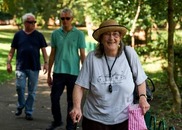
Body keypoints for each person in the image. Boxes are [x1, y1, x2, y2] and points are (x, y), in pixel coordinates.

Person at [70, 19, 150, 130]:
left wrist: (142, 98)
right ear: (101, 39)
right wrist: (76, 107)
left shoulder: (129, 53)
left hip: (125, 119)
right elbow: (79, 86)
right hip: (95, 120)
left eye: (115, 34)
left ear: (120, 37)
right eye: (107, 34)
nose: (111, 38)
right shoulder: (92, 58)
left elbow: (140, 80)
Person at [46, 8, 86, 130]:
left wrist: (85, 74)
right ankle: (57, 120)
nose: (65, 21)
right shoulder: (55, 34)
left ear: (72, 19)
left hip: (73, 73)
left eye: (67, 18)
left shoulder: (79, 34)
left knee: (72, 101)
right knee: (54, 98)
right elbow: (52, 54)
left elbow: (82, 55)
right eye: (62, 18)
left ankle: (71, 125)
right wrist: (49, 74)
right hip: (58, 72)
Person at [7, 13, 48, 120]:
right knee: (19, 87)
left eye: (34, 22)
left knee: (32, 91)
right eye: (31, 22)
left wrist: (46, 63)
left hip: (34, 67)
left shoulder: (39, 35)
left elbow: (44, 50)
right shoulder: (18, 35)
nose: (33, 24)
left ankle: (28, 111)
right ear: (25, 23)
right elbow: (12, 50)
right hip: (21, 66)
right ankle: (21, 105)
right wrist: (8, 62)